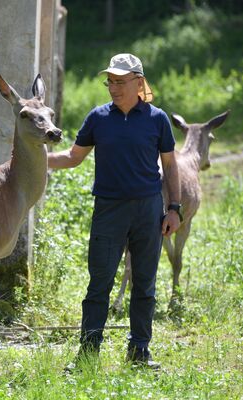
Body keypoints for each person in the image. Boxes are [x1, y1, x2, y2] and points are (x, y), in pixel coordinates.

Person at [48, 53, 181, 369]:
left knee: (145, 285)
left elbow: (171, 165)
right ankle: (87, 355)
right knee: (99, 284)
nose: (113, 87)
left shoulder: (157, 119)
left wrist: (174, 208)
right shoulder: (98, 118)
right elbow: (72, 157)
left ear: (139, 82)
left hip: (149, 210)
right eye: (110, 81)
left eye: (120, 81)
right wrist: (32, 159)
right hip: (108, 210)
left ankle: (139, 353)